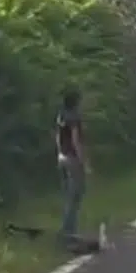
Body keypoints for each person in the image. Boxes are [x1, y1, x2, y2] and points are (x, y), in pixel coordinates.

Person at [55, 88, 89, 240]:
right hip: (72, 159)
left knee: (68, 195)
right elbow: (75, 141)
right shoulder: (74, 117)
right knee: (75, 195)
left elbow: (57, 137)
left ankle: (67, 230)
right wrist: (83, 161)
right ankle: (69, 231)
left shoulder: (61, 116)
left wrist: (60, 153)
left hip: (62, 157)